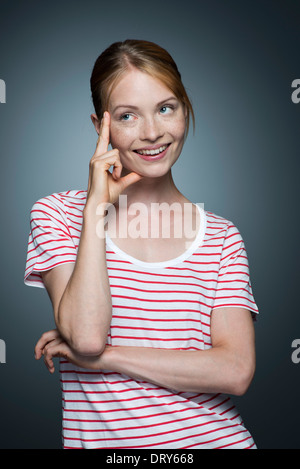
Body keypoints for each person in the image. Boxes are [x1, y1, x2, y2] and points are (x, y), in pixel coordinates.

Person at [24, 39, 259, 449]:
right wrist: (96, 209)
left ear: (185, 109)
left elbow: (236, 370)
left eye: (166, 108)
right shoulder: (57, 215)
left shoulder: (222, 237)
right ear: (102, 127)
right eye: (128, 116)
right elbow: (86, 337)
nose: (152, 133)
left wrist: (109, 358)